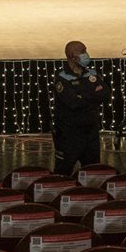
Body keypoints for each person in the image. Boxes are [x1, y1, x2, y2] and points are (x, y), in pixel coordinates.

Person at [51, 41, 108, 174]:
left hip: (91, 132)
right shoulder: (62, 78)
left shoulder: (91, 73)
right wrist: (93, 94)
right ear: (72, 56)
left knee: (92, 172)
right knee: (63, 172)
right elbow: (74, 102)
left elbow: (105, 94)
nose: (86, 54)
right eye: (82, 51)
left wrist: (82, 95)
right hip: (69, 134)